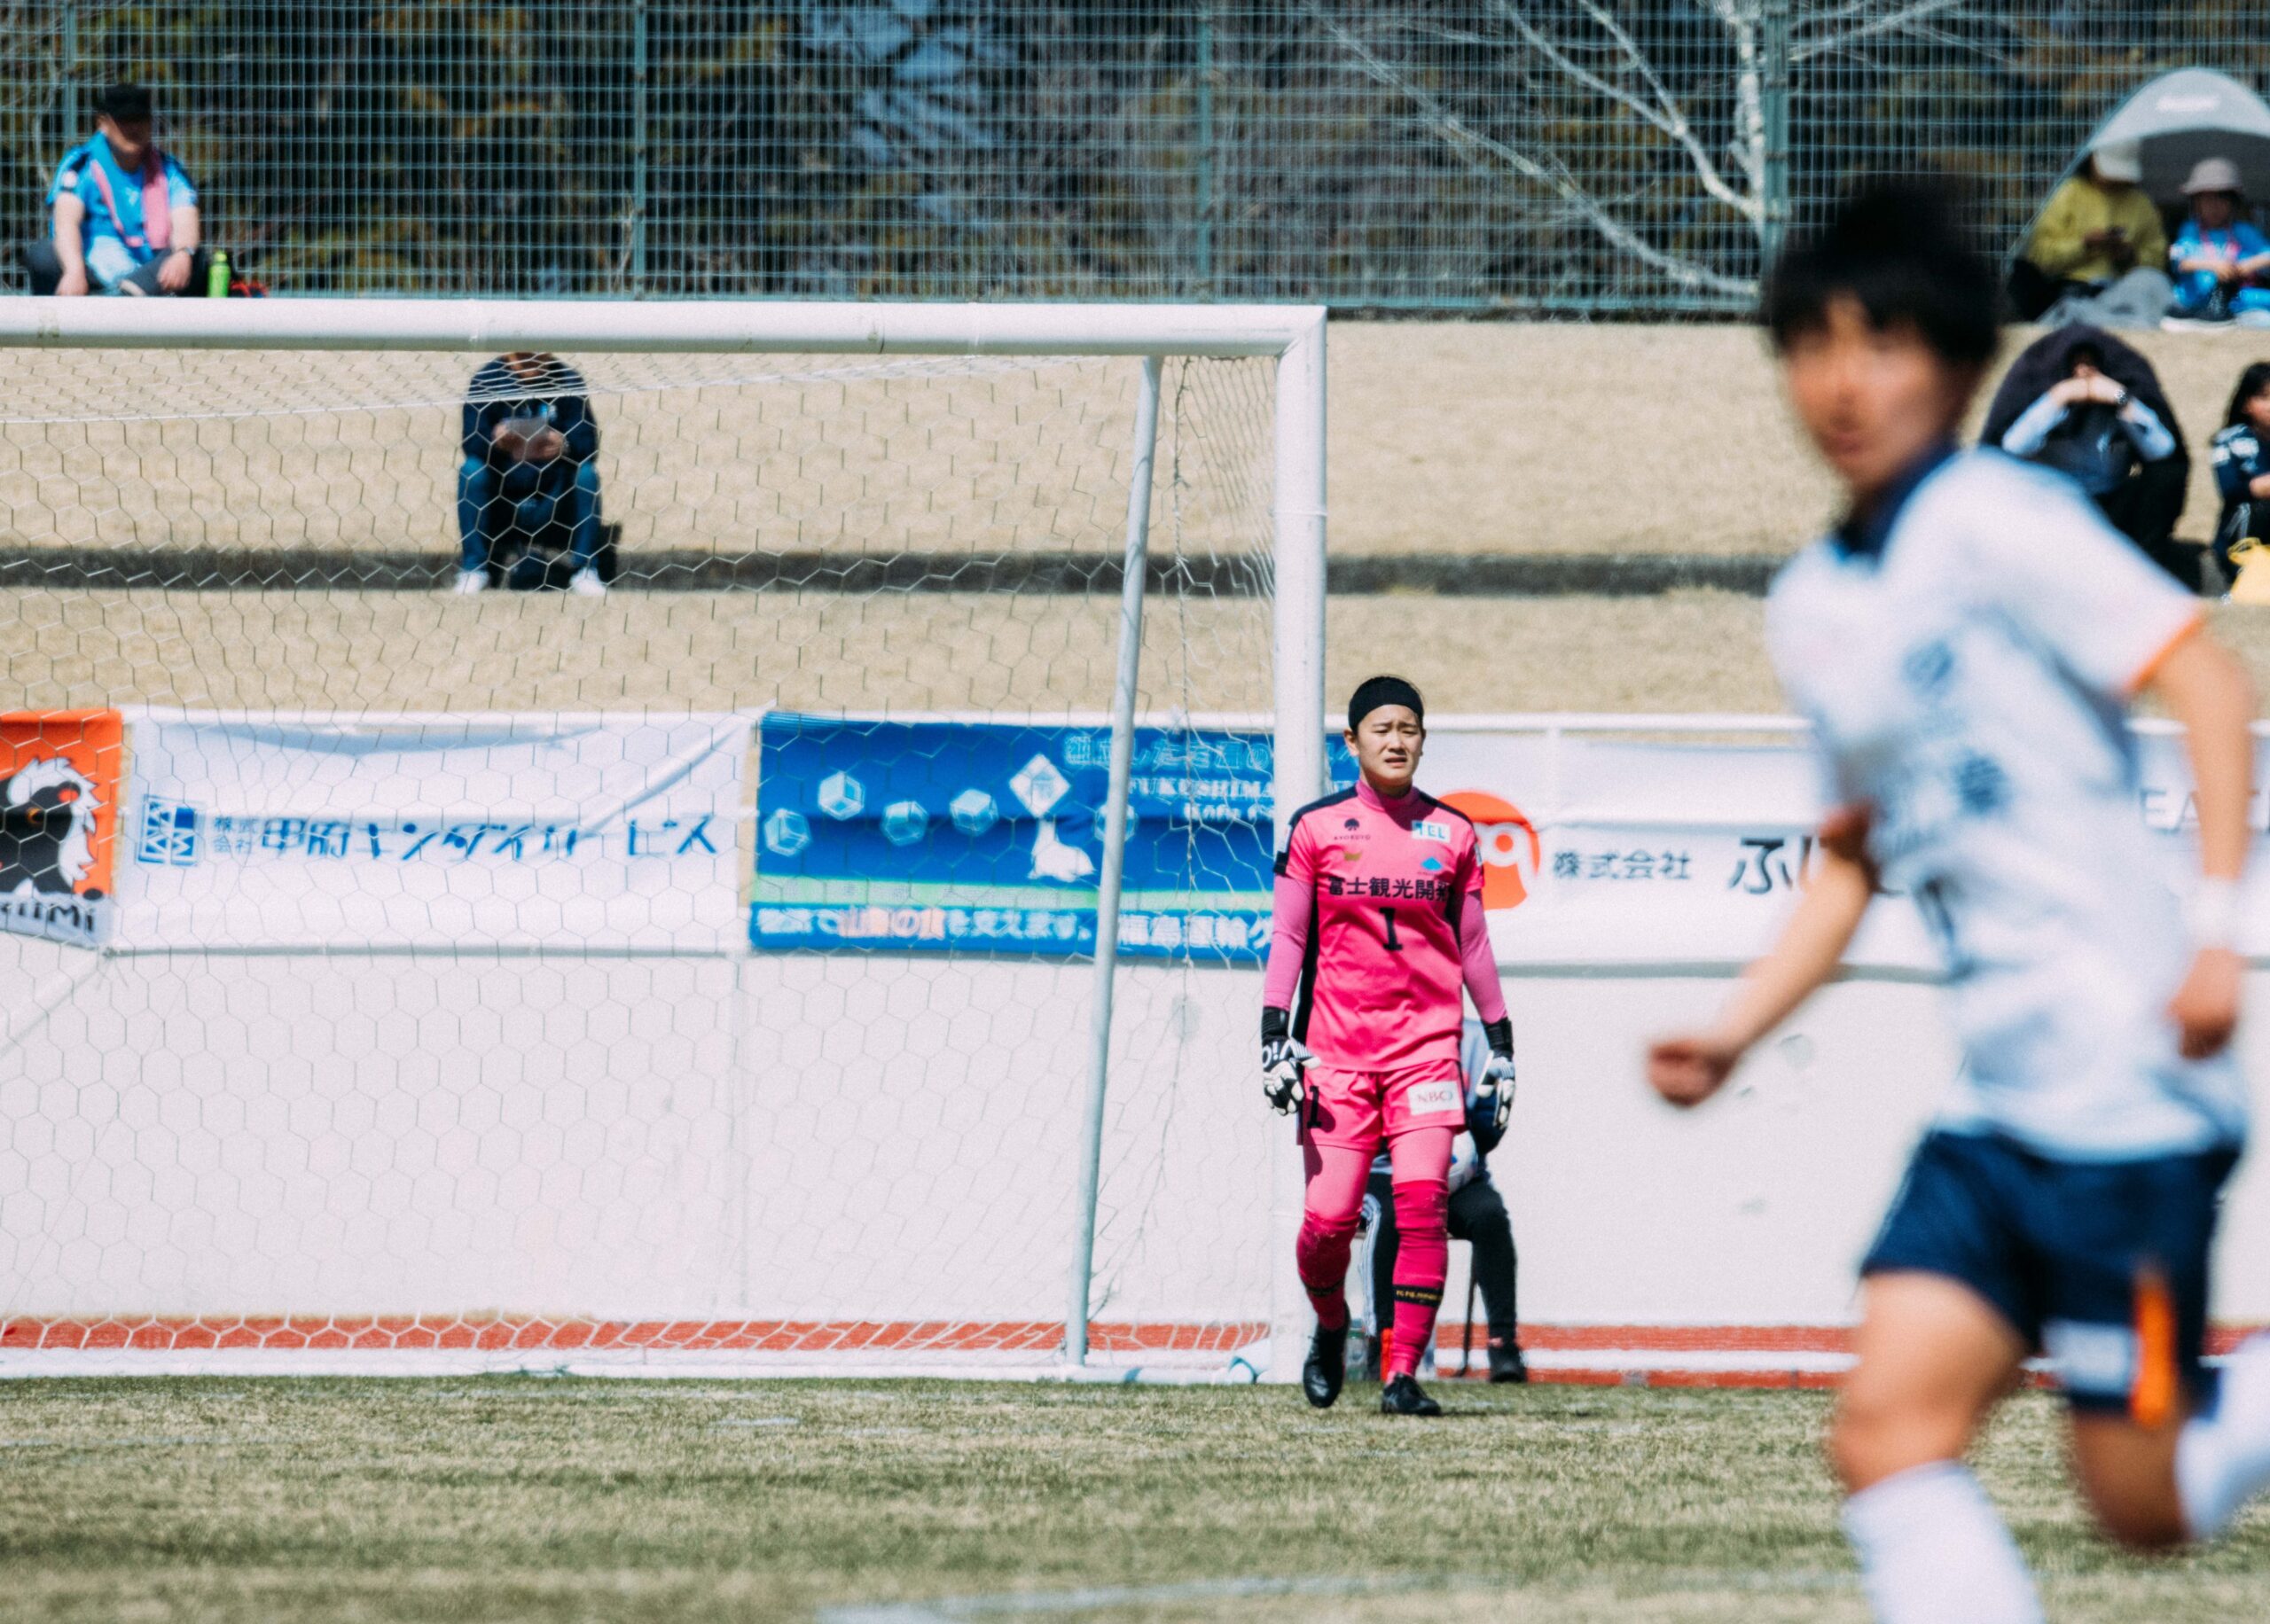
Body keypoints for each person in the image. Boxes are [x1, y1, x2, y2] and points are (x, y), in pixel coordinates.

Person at [1648, 179, 2270, 1624]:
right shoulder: (1817, 604)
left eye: (1887, 344)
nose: (1846, 382)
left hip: (2131, 1106)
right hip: (1995, 1121)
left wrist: (2219, 931)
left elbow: (2203, 673)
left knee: (2151, 1510)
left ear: (1958, 360)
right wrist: (1734, 1030)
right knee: (1885, 1438)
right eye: (1814, 345)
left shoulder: (2004, 521)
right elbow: (1853, 858)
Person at [1263, 675, 1516, 1417]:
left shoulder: (1456, 833)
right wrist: (1274, 1035)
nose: (1396, 740)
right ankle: (1334, 1325)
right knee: (1330, 1220)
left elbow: (1472, 943)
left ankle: (1402, 1374)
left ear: (1423, 740)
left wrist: (1500, 1042)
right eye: (1382, 728)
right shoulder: (1315, 828)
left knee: (1422, 1203)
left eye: (1409, 728)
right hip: (1335, 1058)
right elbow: (1288, 937)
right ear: (1353, 742)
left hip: (1427, 1056)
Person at [1363, 1017, 1528, 1384]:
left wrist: (1475, 1132)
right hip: (1385, 1173)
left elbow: (1486, 1123)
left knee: (1490, 1217)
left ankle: (1503, 1345)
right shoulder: (1377, 1028)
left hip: (1456, 1175)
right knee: (1390, 1217)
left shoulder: (1472, 1038)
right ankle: (1384, 1344)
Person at [1992, 331, 2189, 583]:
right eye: (2078, 365)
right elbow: (2013, 446)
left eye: (2091, 364)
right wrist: (2058, 398)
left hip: (2111, 500)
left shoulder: (2114, 407)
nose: (2085, 373)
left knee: (2165, 476)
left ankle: (2145, 570)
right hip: (2060, 503)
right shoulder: (2050, 406)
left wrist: (2122, 399)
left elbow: (2161, 449)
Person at [27, 84, 208, 298]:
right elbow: (65, 222)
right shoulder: (81, 164)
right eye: (124, 121)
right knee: (42, 255)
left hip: (149, 275)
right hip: (89, 275)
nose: (133, 129)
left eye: (140, 120)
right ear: (103, 124)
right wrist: (74, 271)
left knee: (195, 257)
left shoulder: (170, 171)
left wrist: (182, 255)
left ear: (150, 123)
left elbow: (185, 219)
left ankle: (128, 297)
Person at [456, 352, 606, 597]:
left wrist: (565, 446)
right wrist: (495, 442)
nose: (531, 362)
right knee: (471, 471)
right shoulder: (487, 380)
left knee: (586, 474)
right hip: (502, 499)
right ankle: (474, 569)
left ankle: (586, 570)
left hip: (553, 498)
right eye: (522, 357)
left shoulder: (567, 380)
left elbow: (589, 445)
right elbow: (471, 442)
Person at [2013, 140, 2170, 327]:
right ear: (2092, 160)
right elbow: (2039, 256)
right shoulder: (2068, 194)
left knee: (2152, 282)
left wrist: (2130, 257)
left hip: (2122, 292)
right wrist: (2084, 246)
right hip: (2067, 289)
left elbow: (2157, 260)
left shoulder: (2141, 204)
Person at [2165, 158, 2270, 327]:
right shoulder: (2190, 230)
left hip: (2239, 300)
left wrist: (2246, 265)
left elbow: (2267, 254)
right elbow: (2181, 262)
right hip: (2195, 303)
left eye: (2222, 199)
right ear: (2196, 203)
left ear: (2233, 203)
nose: (2214, 206)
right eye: (2207, 200)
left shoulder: (2243, 231)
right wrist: (2215, 266)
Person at [2209, 361, 2270, 585]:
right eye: (2263, 397)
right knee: (2251, 509)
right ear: (2246, 404)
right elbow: (2231, 490)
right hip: (2243, 530)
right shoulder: (2230, 441)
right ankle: (2240, 571)